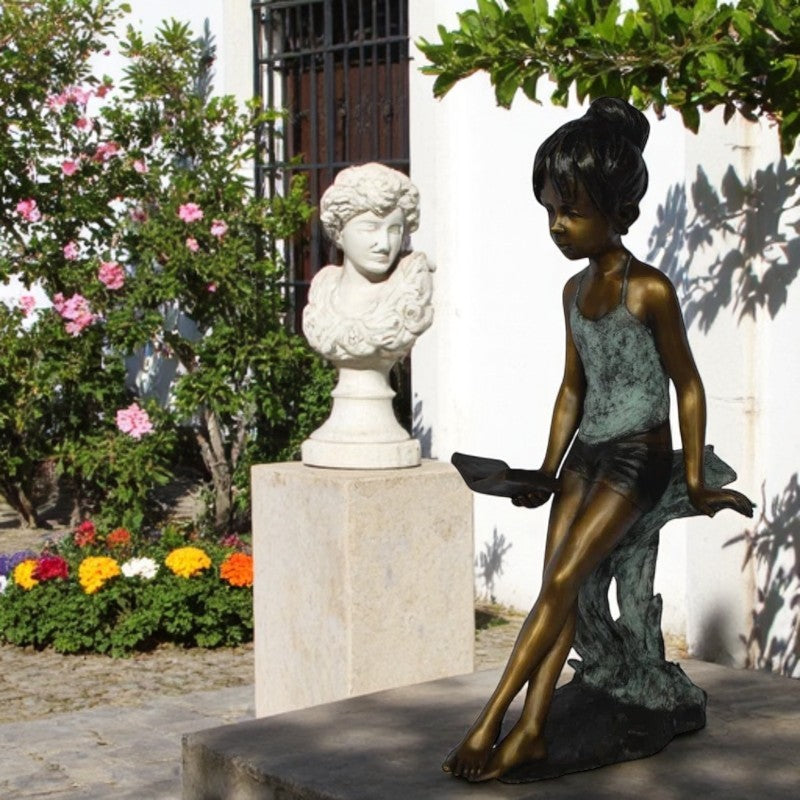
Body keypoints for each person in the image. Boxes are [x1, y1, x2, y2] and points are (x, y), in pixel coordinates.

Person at [442, 97, 754, 782]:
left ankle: (495, 723)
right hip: (586, 454)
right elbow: (572, 390)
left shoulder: (649, 291)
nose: (556, 225)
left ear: (618, 211)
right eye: (550, 210)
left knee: (558, 581)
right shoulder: (570, 292)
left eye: (571, 211)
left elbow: (689, 386)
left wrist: (695, 476)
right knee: (565, 593)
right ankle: (528, 730)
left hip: (637, 456)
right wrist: (545, 469)